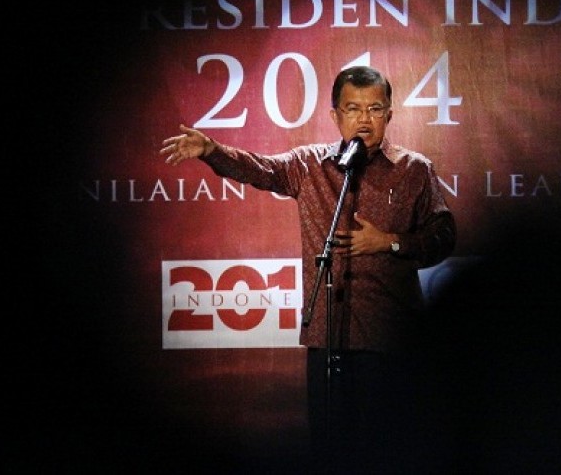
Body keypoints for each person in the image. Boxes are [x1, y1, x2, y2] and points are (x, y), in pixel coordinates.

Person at [160, 65, 456, 469]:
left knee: (389, 452)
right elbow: (259, 168)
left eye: (374, 109)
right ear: (335, 115)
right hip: (328, 336)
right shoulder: (310, 165)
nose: (364, 119)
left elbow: (444, 236)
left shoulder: (414, 170)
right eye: (353, 109)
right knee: (331, 451)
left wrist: (390, 241)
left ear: (389, 114)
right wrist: (213, 151)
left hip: (392, 337)